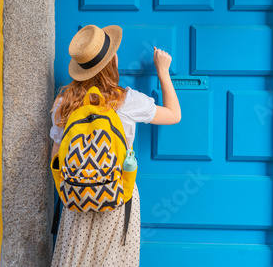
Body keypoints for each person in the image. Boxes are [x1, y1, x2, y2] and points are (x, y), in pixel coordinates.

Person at [49, 24, 181, 267]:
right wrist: (163, 71)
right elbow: (174, 114)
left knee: (75, 259)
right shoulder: (126, 100)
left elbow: (55, 159)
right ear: (113, 61)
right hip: (117, 193)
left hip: (76, 196)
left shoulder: (63, 102)